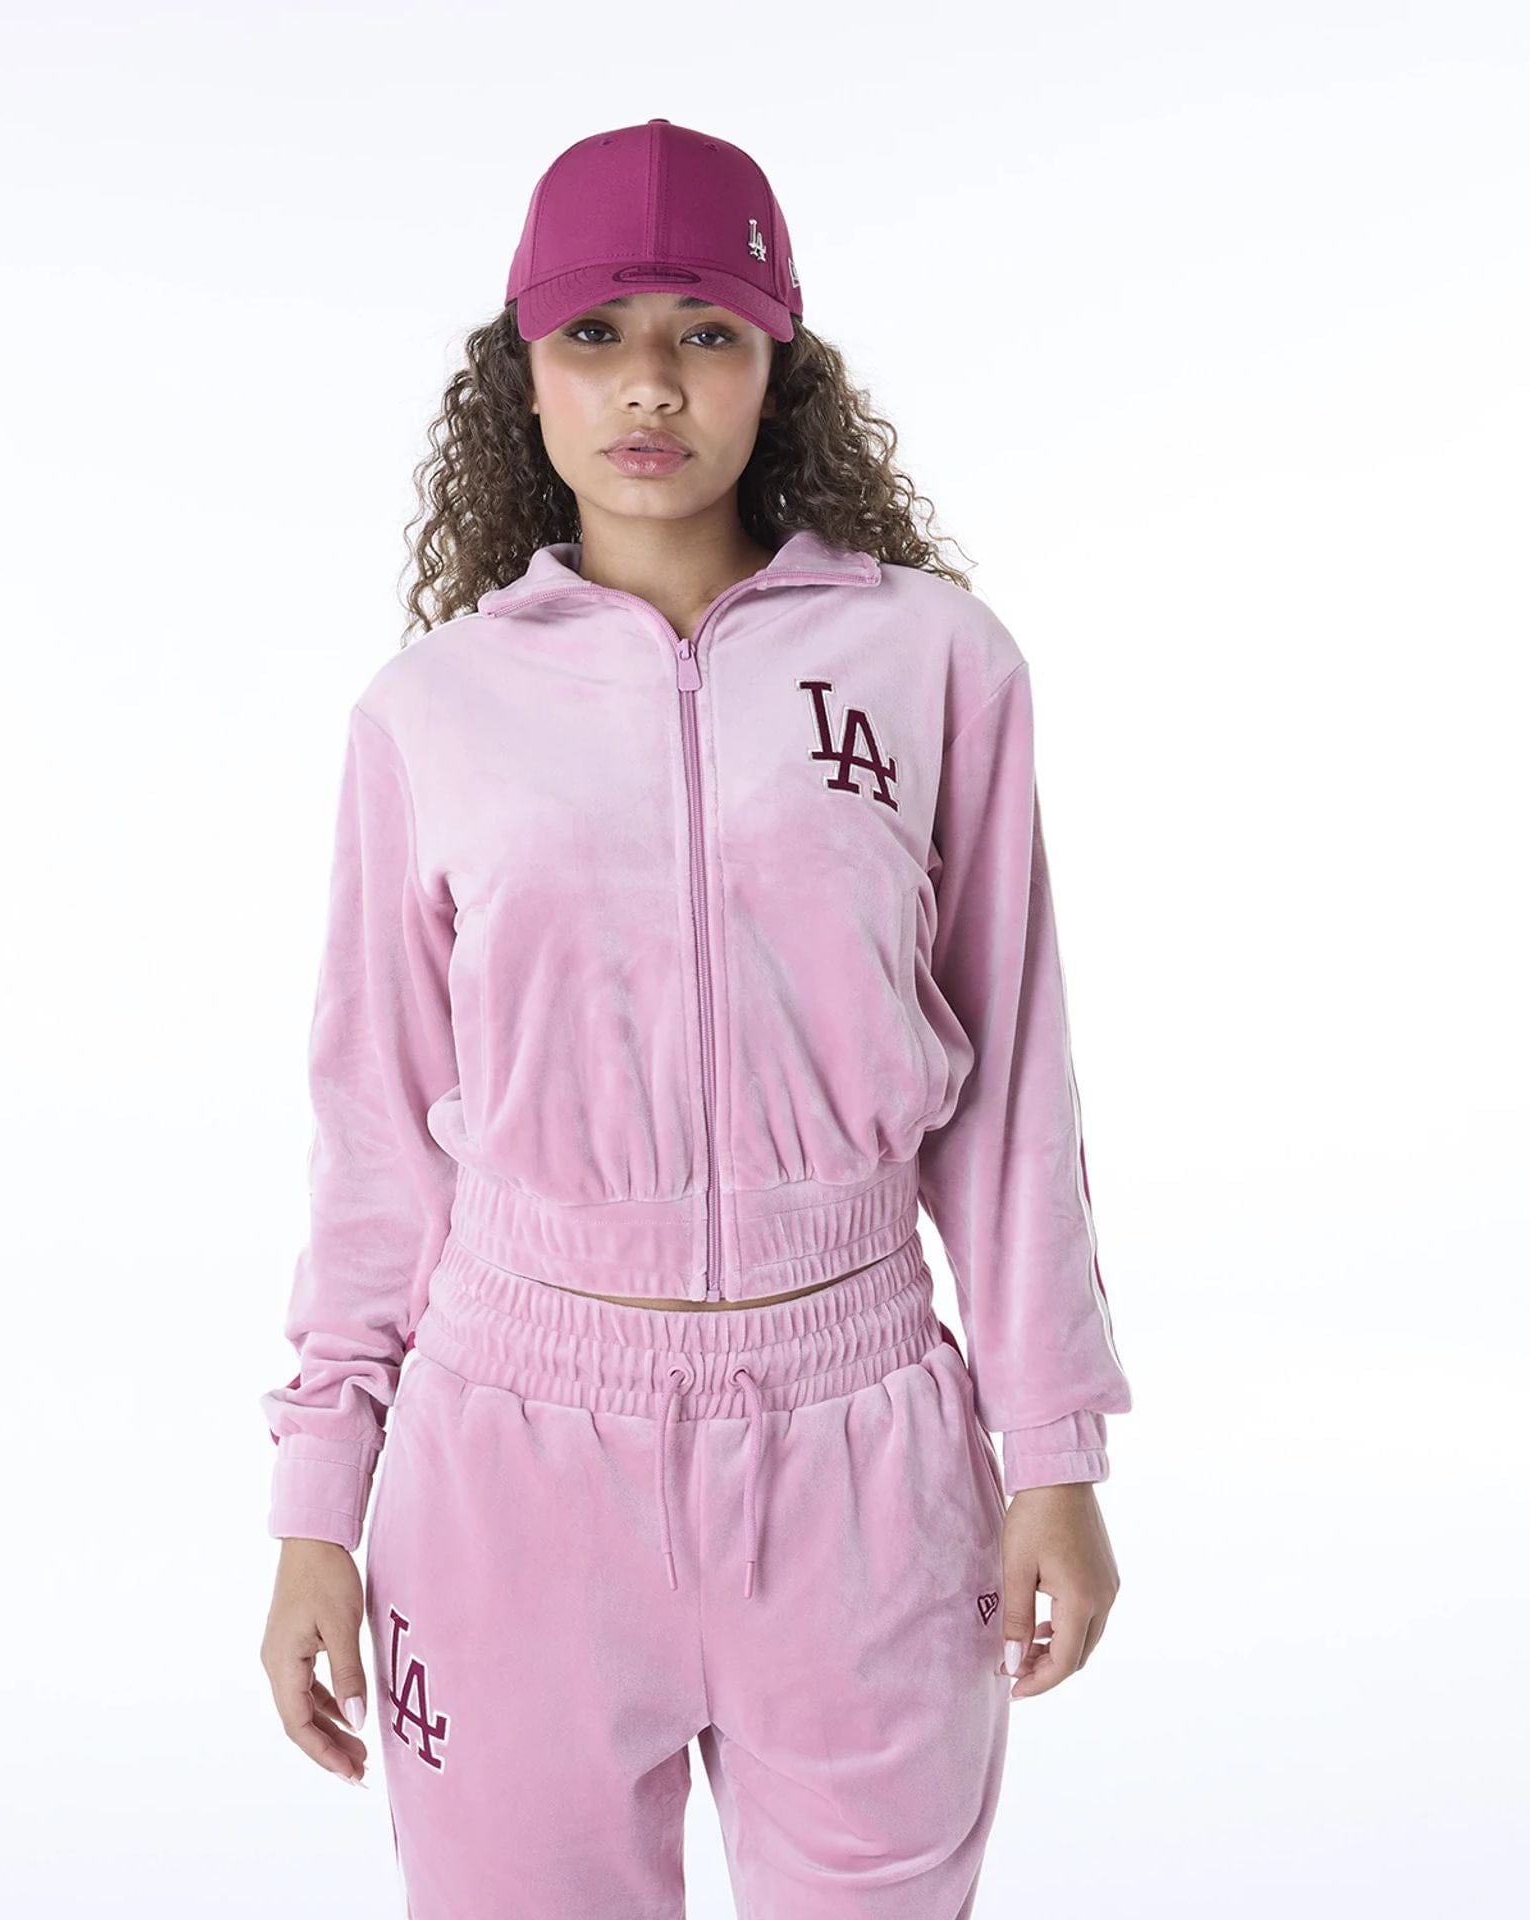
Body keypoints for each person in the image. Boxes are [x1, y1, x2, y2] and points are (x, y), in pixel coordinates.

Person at [257, 117, 1132, 1918]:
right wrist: (316, 1500)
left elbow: (1014, 1096)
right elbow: (375, 1130)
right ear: (522, 372)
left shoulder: (935, 665)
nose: (648, 383)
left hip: (863, 1448)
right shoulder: (430, 715)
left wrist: (1053, 1448)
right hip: (511, 1459)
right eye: (595, 334)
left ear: (775, 365)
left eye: (704, 332)